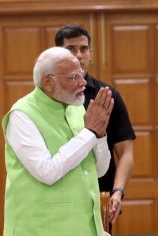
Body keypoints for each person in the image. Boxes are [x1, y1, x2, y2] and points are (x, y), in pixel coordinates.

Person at [2, 47, 114, 236]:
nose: (83, 82)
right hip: (38, 229)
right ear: (48, 82)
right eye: (73, 77)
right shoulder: (22, 115)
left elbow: (99, 171)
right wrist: (90, 132)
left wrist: (100, 135)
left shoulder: (76, 108)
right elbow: (48, 172)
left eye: (81, 74)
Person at [55, 23, 136, 226]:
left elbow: (126, 151)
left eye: (84, 49)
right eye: (71, 49)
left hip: (99, 196)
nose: (79, 55)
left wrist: (117, 192)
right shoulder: (49, 97)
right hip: (58, 198)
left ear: (91, 53)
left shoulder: (107, 95)